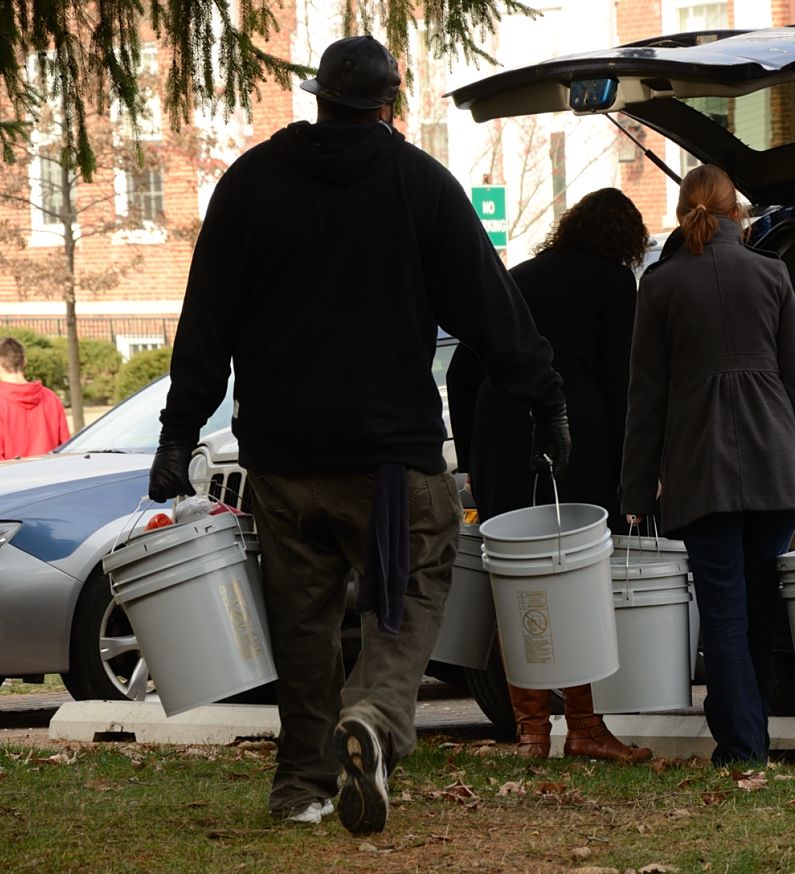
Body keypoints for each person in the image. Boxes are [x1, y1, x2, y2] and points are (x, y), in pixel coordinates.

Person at [145, 35, 571, 834]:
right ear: (390, 104)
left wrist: (178, 433)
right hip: (389, 457)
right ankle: (374, 719)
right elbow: (489, 306)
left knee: (304, 624)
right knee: (408, 592)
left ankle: (300, 786)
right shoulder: (418, 184)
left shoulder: (251, 183)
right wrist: (543, 397)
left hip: (281, 456)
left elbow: (205, 319)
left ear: (317, 98)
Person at [621, 164, 795, 766]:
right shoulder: (771, 274)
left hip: (701, 470)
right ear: (736, 214)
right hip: (775, 464)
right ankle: (747, 732)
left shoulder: (660, 286)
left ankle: (743, 743)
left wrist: (638, 489)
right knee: (756, 598)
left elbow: (647, 397)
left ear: (684, 213)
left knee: (721, 606)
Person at [447, 188, 653, 764]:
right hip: (574, 429)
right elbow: (620, 380)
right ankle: (585, 726)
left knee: (518, 580)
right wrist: (631, 469)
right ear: (626, 241)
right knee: (576, 577)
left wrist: (472, 454)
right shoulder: (613, 283)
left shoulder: (521, 274)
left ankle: (531, 731)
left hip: (499, 427)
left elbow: (466, 364)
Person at [0, 336, 70, 463]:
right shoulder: (51, 398)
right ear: (24, 361)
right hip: (51, 477)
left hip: (16, 481)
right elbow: (66, 449)